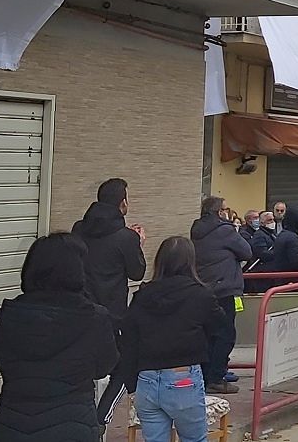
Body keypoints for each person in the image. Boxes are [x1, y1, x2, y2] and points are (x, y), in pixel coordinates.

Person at [0, 233, 119, 442]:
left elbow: (0, 358)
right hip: (72, 426)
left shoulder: (10, 314)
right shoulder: (94, 317)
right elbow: (104, 366)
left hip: (11, 424)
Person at [119, 237, 223, 442]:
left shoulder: (142, 295)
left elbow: (129, 339)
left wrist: (131, 383)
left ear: (160, 262)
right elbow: (220, 328)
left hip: (146, 379)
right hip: (183, 376)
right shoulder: (201, 295)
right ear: (191, 262)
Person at [190, 196, 252, 394]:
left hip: (203, 289)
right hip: (224, 289)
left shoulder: (196, 230)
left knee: (208, 335)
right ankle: (216, 377)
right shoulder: (225, 230)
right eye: (226, 209)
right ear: (219, 212)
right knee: (225, 335)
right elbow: (247, 252)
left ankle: (205, 375)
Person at [72, 178, 146, 322]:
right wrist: (138, 245)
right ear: (123, 203)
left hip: (81, 307)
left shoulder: (78, 228)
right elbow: (137, 273)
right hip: (113, 313)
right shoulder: (127, 237)